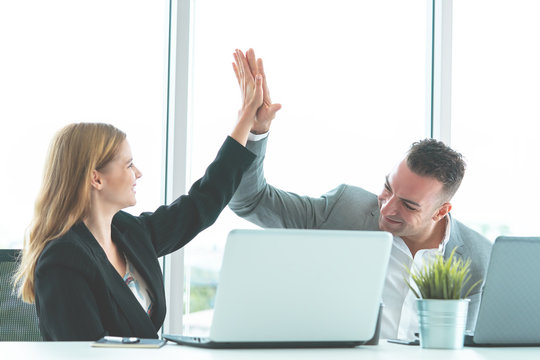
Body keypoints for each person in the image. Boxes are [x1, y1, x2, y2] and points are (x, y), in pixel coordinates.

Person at [229, 49, 492, 340]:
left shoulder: (481, 258)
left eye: (408, 205)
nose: (388, 209)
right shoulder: (344, 211)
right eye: (388, 188)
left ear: (441, 211)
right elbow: (249, 201)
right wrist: (254, 132)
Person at [13, 49, 264, 341]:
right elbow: (84, 356)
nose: (139, 173)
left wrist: (247, 120)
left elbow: (200, 204)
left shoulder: (129, 232)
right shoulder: (63, 260)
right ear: (96, 178)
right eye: (129, 164)